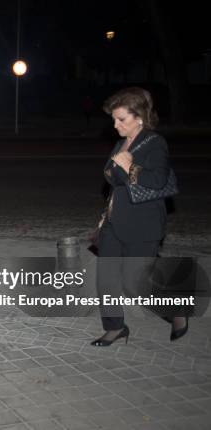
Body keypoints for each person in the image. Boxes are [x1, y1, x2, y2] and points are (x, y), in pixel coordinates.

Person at [91, 87, 188, 346]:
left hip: (144, 224)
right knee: (106, 279)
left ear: (140, 118)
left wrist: (129, 167)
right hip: (115, 220)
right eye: (114, 119)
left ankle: (174, 311)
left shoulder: (155, 143)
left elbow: (157, 180)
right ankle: (115, 327)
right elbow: (110, 176)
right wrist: (119, 172)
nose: (115, 124)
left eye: (121, 119)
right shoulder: (121, 142)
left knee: (136, 284)